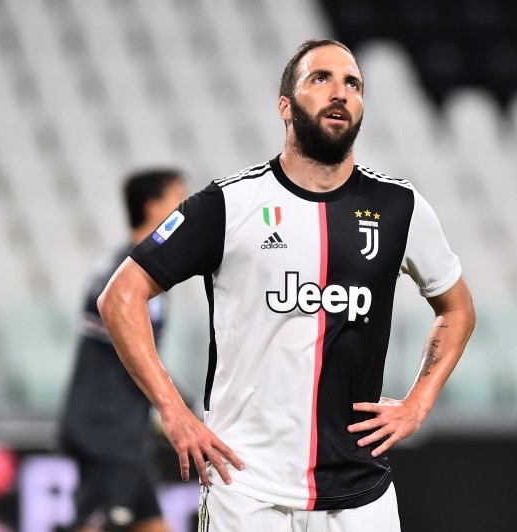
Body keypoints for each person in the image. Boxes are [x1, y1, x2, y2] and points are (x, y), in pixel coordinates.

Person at [97, 39, 476, 532]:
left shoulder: (399, 208)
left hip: (362, 498)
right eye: (321, 79)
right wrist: (174, 412)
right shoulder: (229, 204)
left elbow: (458, 308)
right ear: (285, 106)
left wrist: (418, 402)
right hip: (248, 490)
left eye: (353, 84)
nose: (339, 92)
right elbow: (121, 297)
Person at [59, 169, 187, 532]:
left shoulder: (138, 269)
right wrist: (180, 404)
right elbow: (129, 351)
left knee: (153, 526)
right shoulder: (120, 276)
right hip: (106, 433)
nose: (187, 208)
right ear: (152, 207)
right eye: (178, 197)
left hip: (124, 433)